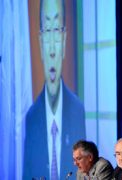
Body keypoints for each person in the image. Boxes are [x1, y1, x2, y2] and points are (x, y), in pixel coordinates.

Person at [23, 0, 86, 179]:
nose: (52, 49)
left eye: (57, 31)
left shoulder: (77, 109)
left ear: (65, 40)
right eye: (47, 31)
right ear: (41, 43)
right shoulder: (31, 117)